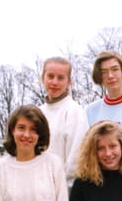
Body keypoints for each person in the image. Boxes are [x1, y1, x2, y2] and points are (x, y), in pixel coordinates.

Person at [38, 56, 89, 185]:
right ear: (42, 78)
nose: (54, 82)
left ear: (69, 81)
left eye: (60, 78)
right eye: (50, 76)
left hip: (64, 187)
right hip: (37, 185)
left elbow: (76, 159)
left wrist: (55, 183)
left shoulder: (75, 111)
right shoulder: (38, 113)